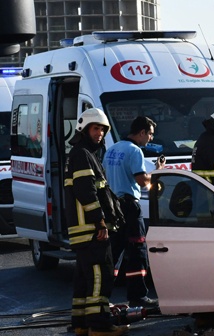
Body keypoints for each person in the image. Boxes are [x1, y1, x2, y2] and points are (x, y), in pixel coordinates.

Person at [64, 108, 128, 336]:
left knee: (84, 278)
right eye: (95, 128)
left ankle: (81, 323)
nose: (99, 133)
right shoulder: (82, 155)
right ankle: (100, 326)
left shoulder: (84, 154)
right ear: (84, 130)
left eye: (102, 129)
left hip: (84, 231)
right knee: (101, 276)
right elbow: (86, 192)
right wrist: (100, 223)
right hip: (92, 230)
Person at [103, 116, 164, 308]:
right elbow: (141, 181)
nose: (151, 139)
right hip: (129, 206)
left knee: (113, 251)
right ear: (142, 132)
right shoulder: (135, 151)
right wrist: (156, 178)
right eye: (150, 134)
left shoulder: (111, 150)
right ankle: (138, 296)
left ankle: (101, 296)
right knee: (137, 251)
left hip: (112, 206)